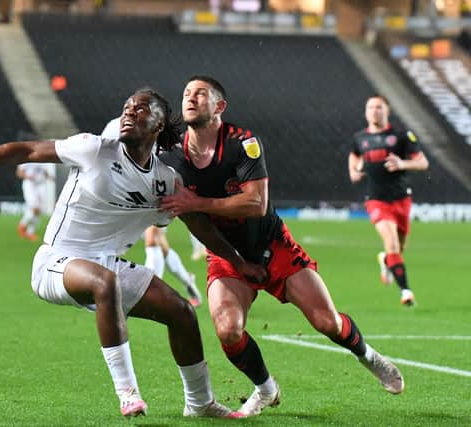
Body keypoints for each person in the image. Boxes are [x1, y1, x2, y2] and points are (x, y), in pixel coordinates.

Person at [0, 88, 258, 419]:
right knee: (104, 282)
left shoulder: (164, 181)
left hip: (105, 264)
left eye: (140, 109)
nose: (129, 112)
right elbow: (26, 150)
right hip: (55, 262)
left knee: (182, 312)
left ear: (158, 125)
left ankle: (199, 402)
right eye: (126, 107)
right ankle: (128, 393)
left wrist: (240, 264)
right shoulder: (94, 149)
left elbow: (201, 227)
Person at [159, 76, 405, 417]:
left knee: (325, 322)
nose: (191, 97)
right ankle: (265, 388)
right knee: (228, 329)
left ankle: (368, 355)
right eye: (186, 92)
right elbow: (191, 219)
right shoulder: (171, 155)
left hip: (273, 245)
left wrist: (197, 202)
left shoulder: (242, 142)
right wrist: (233, 257)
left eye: (201, 93)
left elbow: (256, 203)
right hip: (227, 255)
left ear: (220, 106)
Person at [101, 118, 203, 307]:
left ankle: (145, 292)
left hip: (154, 191)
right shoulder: (116, 127)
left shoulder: (156, 131)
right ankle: (188, 281)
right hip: (126, 196)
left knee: (152, 239)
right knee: (162, 247)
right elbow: (105, 156)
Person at [349, 95, 429, 307]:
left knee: (398, 248)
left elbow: (422, 163)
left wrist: (402, 164)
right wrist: (353, 171)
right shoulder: (360, 138)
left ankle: (386, 260)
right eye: (371, 107)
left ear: (387, 111)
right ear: (366, 112)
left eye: (379, 107)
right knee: (392, 243)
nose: (374, 111)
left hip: (401, 199)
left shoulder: (402, 136)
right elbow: (354, 155)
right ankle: (406, 291)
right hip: (376, 200)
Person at [15, 162, 54, 241]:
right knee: (35, 208)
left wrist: (50, 177)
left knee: (39, 210)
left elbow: (44, 172)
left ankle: (30, 232)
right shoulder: (27, 158)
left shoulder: (42, 158)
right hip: (30, 184)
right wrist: (28, 176)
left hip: (41, 185)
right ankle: (22, 226)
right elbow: (19, 173)